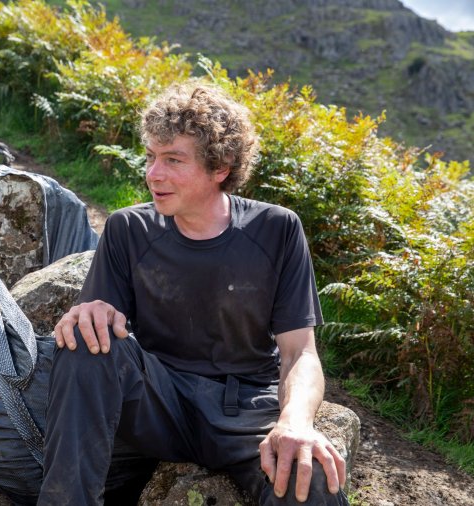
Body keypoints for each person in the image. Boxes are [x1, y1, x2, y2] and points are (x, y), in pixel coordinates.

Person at [38, 82, 349, 505]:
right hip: (159, 404)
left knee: (306, 475)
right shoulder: (127, 229)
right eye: (150, 157)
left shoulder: (277, 229)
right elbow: (102, 331)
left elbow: (300, 354)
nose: (153, 174)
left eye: (173, 160)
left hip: (245, 411)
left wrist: (295, 421)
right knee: (85, 345)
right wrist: (85, 313)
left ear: (220, 166)